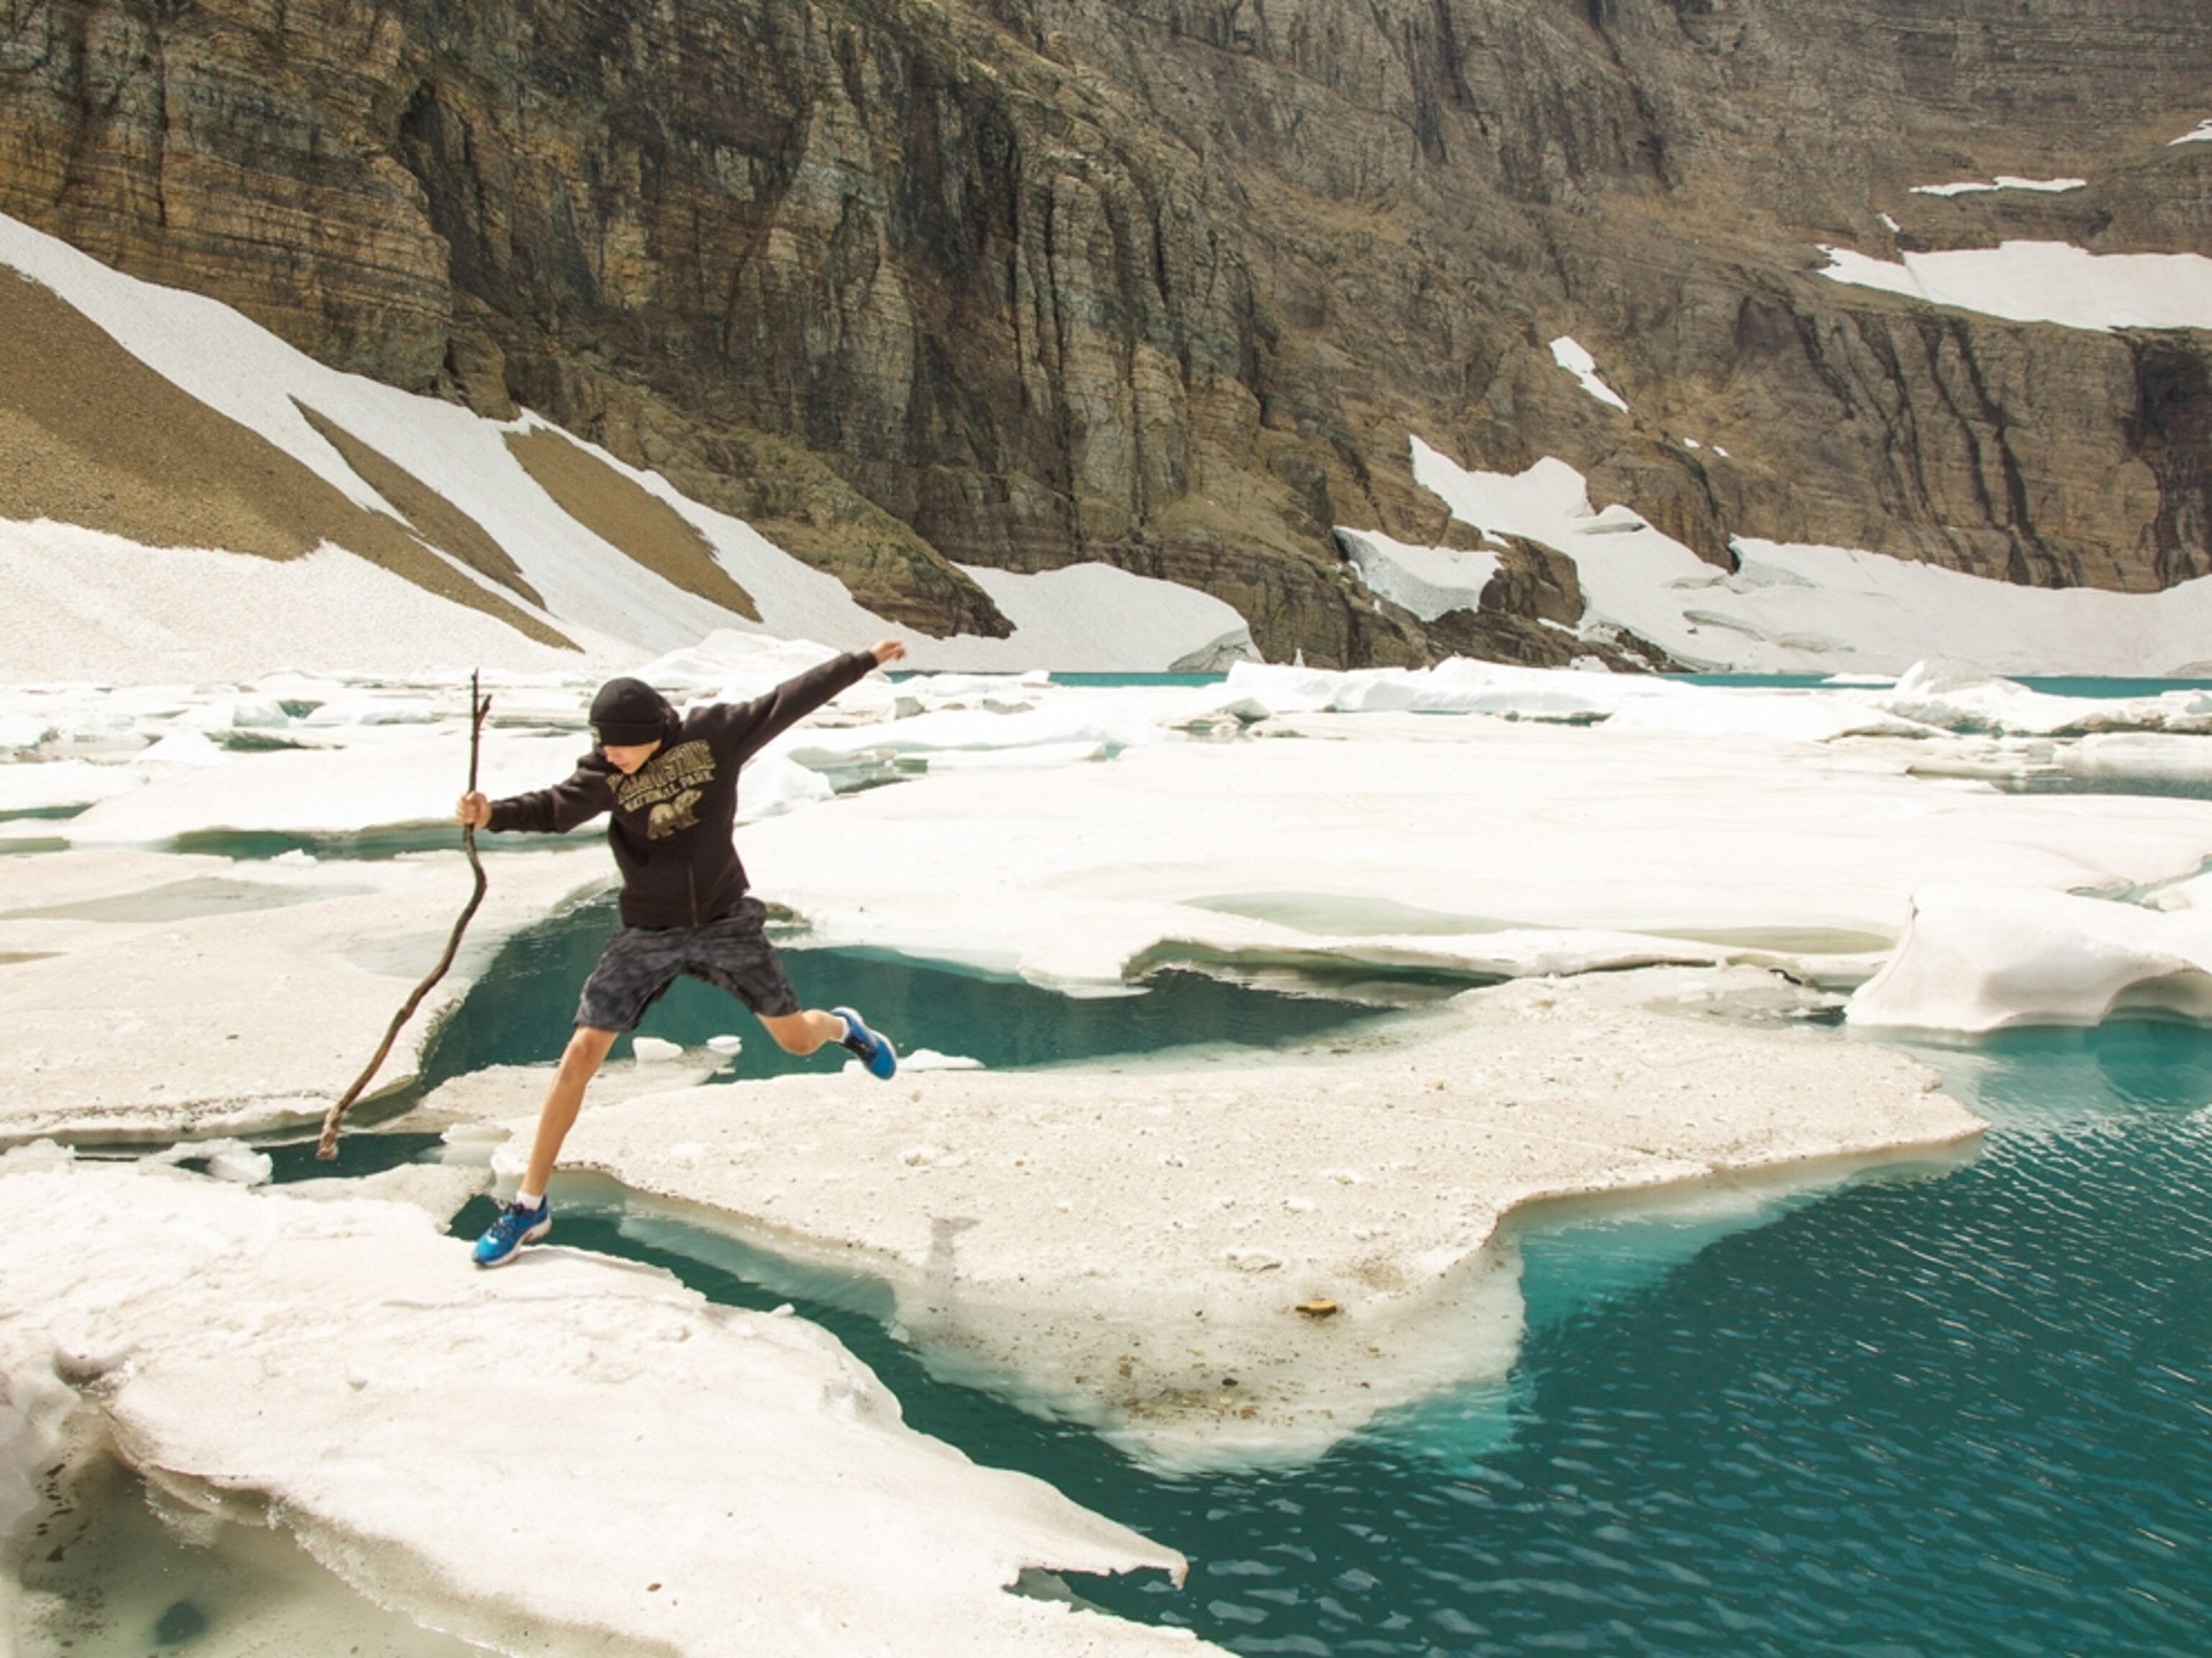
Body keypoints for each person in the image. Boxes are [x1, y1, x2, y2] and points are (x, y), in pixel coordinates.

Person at [457, 640, 908, 1267]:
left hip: (727, 921)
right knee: (580, 1053)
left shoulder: (713, 737)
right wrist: (492, 815)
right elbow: (554, 809)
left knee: (796, 1040)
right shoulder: (605, 774)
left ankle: (846, 1028)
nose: (605, 753)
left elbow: (787, 702)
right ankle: (530, 1205)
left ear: (650, 734)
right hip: (649, 932)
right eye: (600, 743)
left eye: (616, 743)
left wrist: (861, 661)